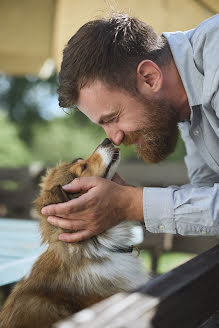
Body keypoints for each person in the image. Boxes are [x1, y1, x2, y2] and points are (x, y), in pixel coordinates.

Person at [42, 13, 219, 242]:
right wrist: (123, 199)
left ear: (149, 78)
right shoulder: (180, 106)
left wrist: (131, 204)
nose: (114, 138)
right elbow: (207, 191)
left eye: (113, 117)